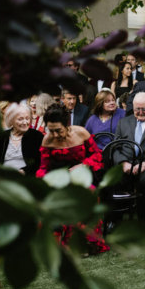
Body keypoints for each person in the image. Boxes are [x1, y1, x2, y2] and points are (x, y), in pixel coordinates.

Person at [37, 104, 108, 254]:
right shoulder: (47, 140)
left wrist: (83, 165)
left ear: (67, 125)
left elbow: (97, 155)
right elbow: (43, 168)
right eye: (51, 130)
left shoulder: (81, 133)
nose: (55, 135)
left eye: (58, 130)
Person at [0, 103, 43, 176]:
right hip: (4, 177)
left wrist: (24, 171)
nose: (25, 122)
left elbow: (40, 162)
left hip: (27, 178)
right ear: (11, 120)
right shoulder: (1, 137)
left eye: (27, 118)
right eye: (20, 119)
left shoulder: (36, 136)